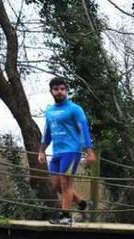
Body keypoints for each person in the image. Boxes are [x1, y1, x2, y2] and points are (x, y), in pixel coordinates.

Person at [37, 77, 96, 226]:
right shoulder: (49, 111)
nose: (60, 92)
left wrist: (89, 151)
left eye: (62, 89)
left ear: (66, 91)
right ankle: (82, 204)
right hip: (57, 152)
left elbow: (84, 130)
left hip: (72, 151)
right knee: (55, 184)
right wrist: (41, 151)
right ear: (51, 91)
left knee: (65, 184)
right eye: (56, 89)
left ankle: (65, 217)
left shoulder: (75, 109)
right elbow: (47, 133)